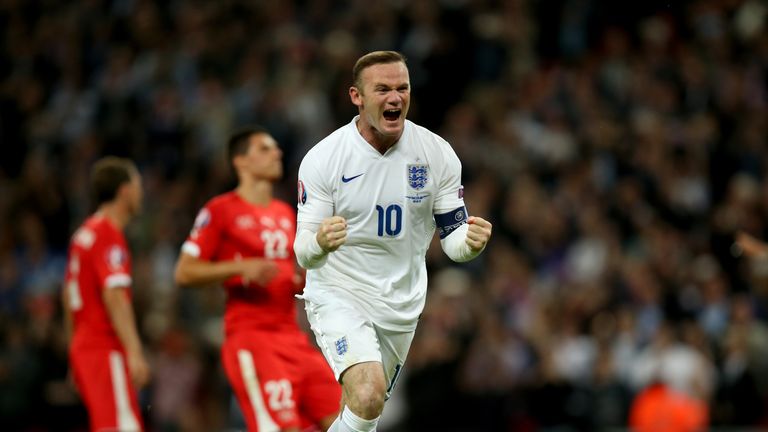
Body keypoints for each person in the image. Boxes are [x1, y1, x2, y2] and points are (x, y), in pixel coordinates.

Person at [294, 50, 493, 431]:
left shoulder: (437, 155)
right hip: (340, 292)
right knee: (368, 394)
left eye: (402, 88)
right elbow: (304, 252)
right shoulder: (324, 160)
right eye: (382, 88)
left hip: (402, 304)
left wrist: (470, 244)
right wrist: (319, 242)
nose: (395, 97)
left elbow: (453, 239)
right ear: (357, 96)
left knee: (362, 409)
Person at [174, 126, 341, 432]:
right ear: (241, 161)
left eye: (276, 148)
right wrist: (239, 268)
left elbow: (295, 274)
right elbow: (185, 271)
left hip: (293, 338)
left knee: (345, 421)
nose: (276, 153)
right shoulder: (220, 210)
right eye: (264, 149)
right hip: (252, 340)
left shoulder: (284, 213)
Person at [62, 156, 150, 431]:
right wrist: (135, 351)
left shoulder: (84, 234)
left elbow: (68, 296)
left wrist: (73, 351)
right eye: (137, 184)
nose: (141, 192)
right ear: (124, 191)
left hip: (85, 346)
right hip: (105, 347)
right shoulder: (108, 234)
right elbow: (114, 296)